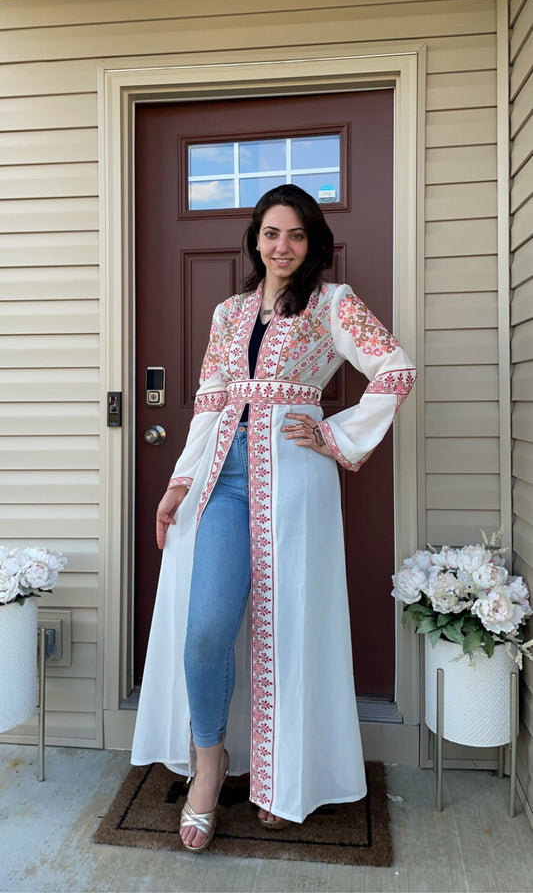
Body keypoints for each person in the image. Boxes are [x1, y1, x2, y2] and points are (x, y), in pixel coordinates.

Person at [131, 183, 416, 852]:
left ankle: (286, 779)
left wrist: (336, 435)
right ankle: (209, 766)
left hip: (293, 484)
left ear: (312, 242)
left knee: (289, 630)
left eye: (295, 235)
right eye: (270, 234)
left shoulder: (332, 303)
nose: (281, 247)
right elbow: (208, 402)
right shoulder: (228, 313)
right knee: (205, 631)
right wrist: (178, 483)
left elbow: (394, 370)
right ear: (254, 241)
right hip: (221, 486)